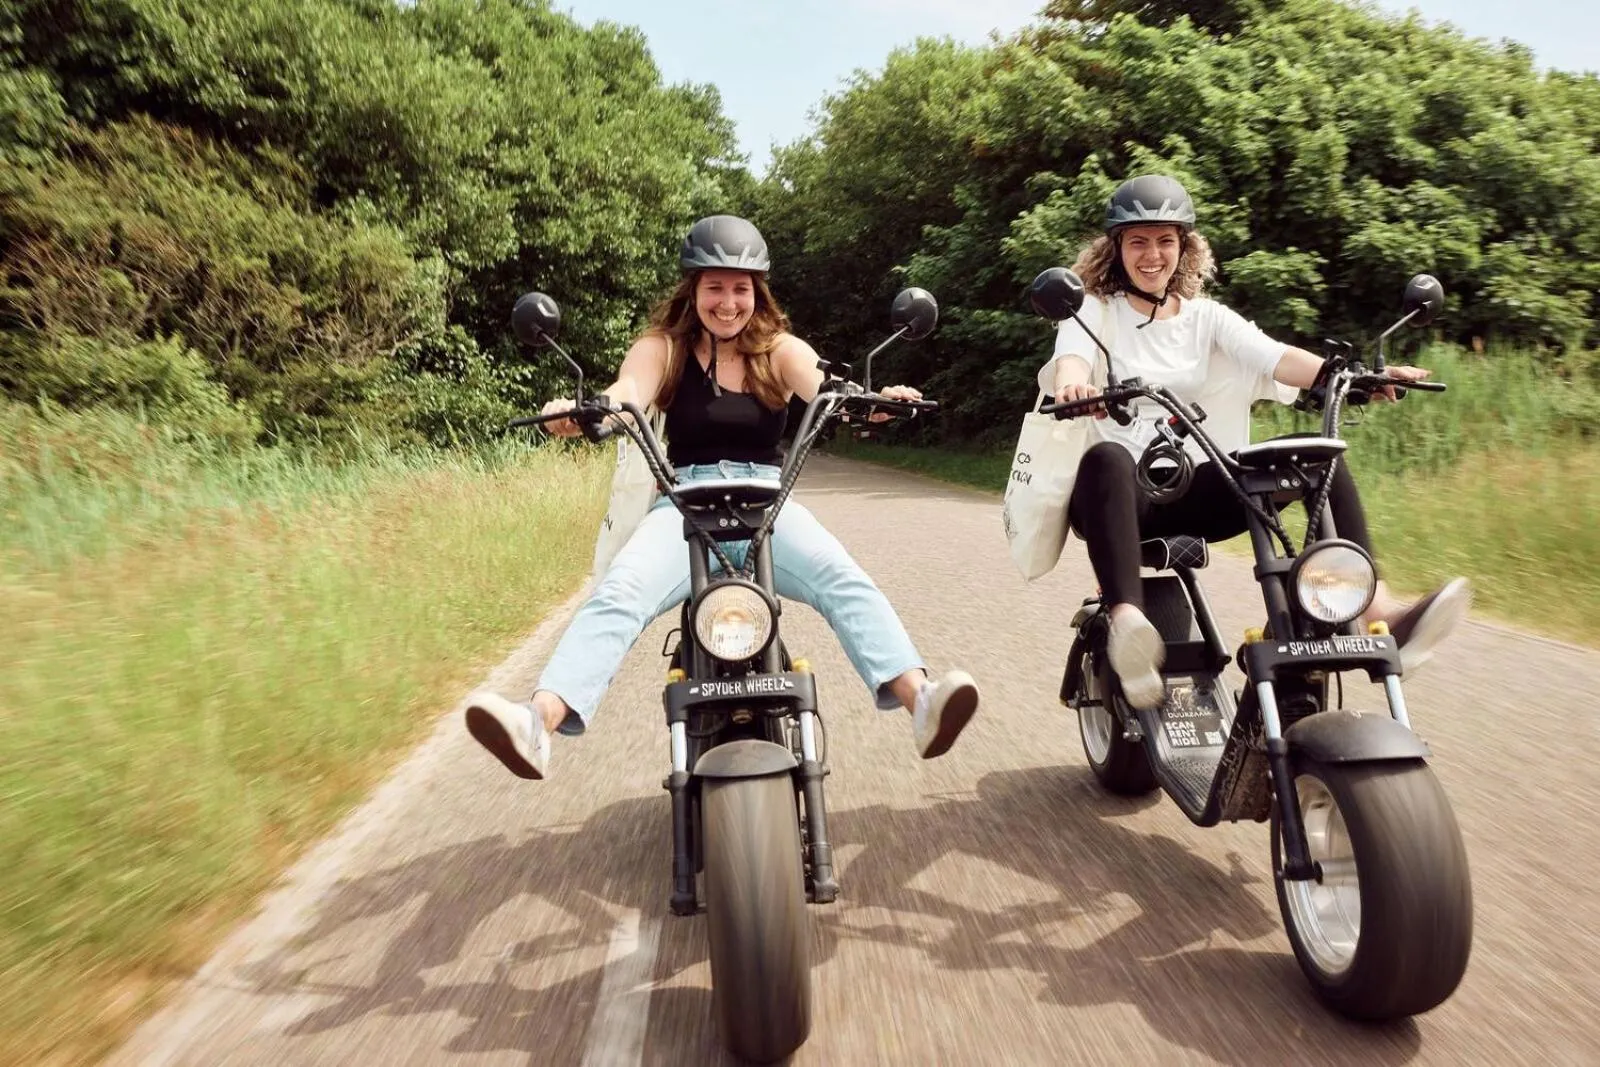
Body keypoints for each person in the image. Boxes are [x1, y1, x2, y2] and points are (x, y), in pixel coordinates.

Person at [465, 215, 981, 779]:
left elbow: (827, 388)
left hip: (767, 505)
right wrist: (581, 412)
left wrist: (874, 401)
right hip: (684, 507)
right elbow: (627, 391)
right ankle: (538, 722)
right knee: (620, 592)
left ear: (758, 293)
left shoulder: (779, 349)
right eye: (715, 286)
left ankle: (921, 701)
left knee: (843, 576)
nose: (728, 302)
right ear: (693, 290)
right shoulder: (663, 347)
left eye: (741, 288)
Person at [1040, 175, 1472, 709]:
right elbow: (1073, 361)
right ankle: (1130, 626)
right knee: (1106, 456)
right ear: (1117, 248)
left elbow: (1276, 356)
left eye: (1165, 240)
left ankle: (1378, 610)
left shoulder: (1208, 318)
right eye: (1138, 241)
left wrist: (1353, 377)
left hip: (1202, 492)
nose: (1152, 255)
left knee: (1316, 455)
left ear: (1185, 246)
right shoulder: (1093, 312)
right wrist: (1075, 388)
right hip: (1123, 501)